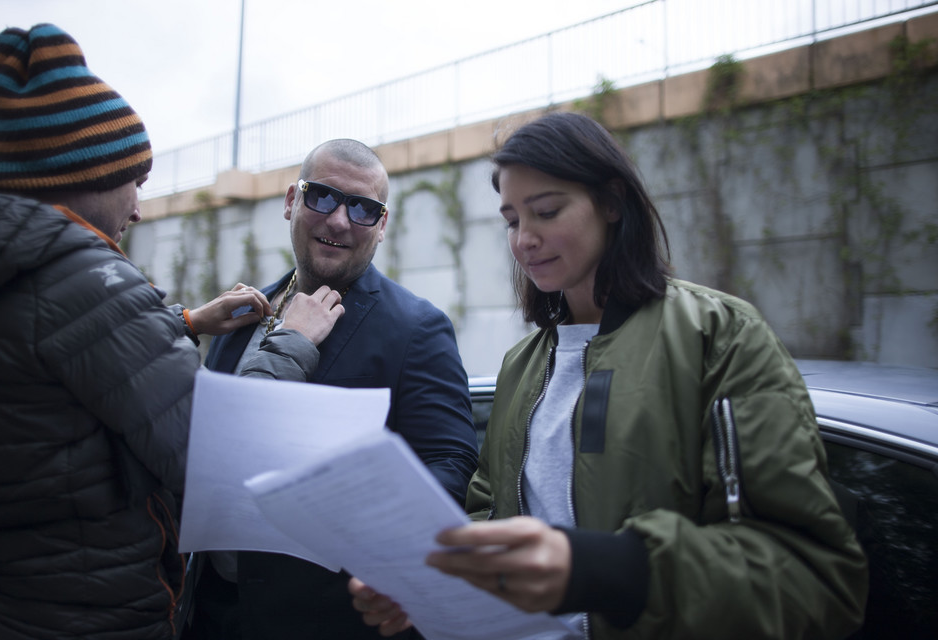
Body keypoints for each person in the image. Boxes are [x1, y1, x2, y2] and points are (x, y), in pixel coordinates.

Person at [350, 111, 869, 639]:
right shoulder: (520, 367)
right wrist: (432, 583)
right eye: (511, 220)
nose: (525, 239)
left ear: (613, 202)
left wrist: (604, 569)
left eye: (546, 211)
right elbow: (489, 514)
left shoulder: (721, 335)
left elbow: (816, 576)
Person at [0, 24, 333, 639]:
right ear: (84, 173)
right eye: (135, 183)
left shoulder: (8, 265)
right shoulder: (86, 279)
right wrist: (290, 341)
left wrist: (186, 323)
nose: (139, 209)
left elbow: (56, 366)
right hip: (91, 615)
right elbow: (214, 454)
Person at [190, 138, 480, 639]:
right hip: (214, 610)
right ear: (290, 201)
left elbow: (450, 463)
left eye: (364, 208)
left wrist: (389, 556)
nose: (340, 220)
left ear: (383, 225)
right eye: (322, 196)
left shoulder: (417, 328)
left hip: (331, 619)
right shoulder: (239, 314)